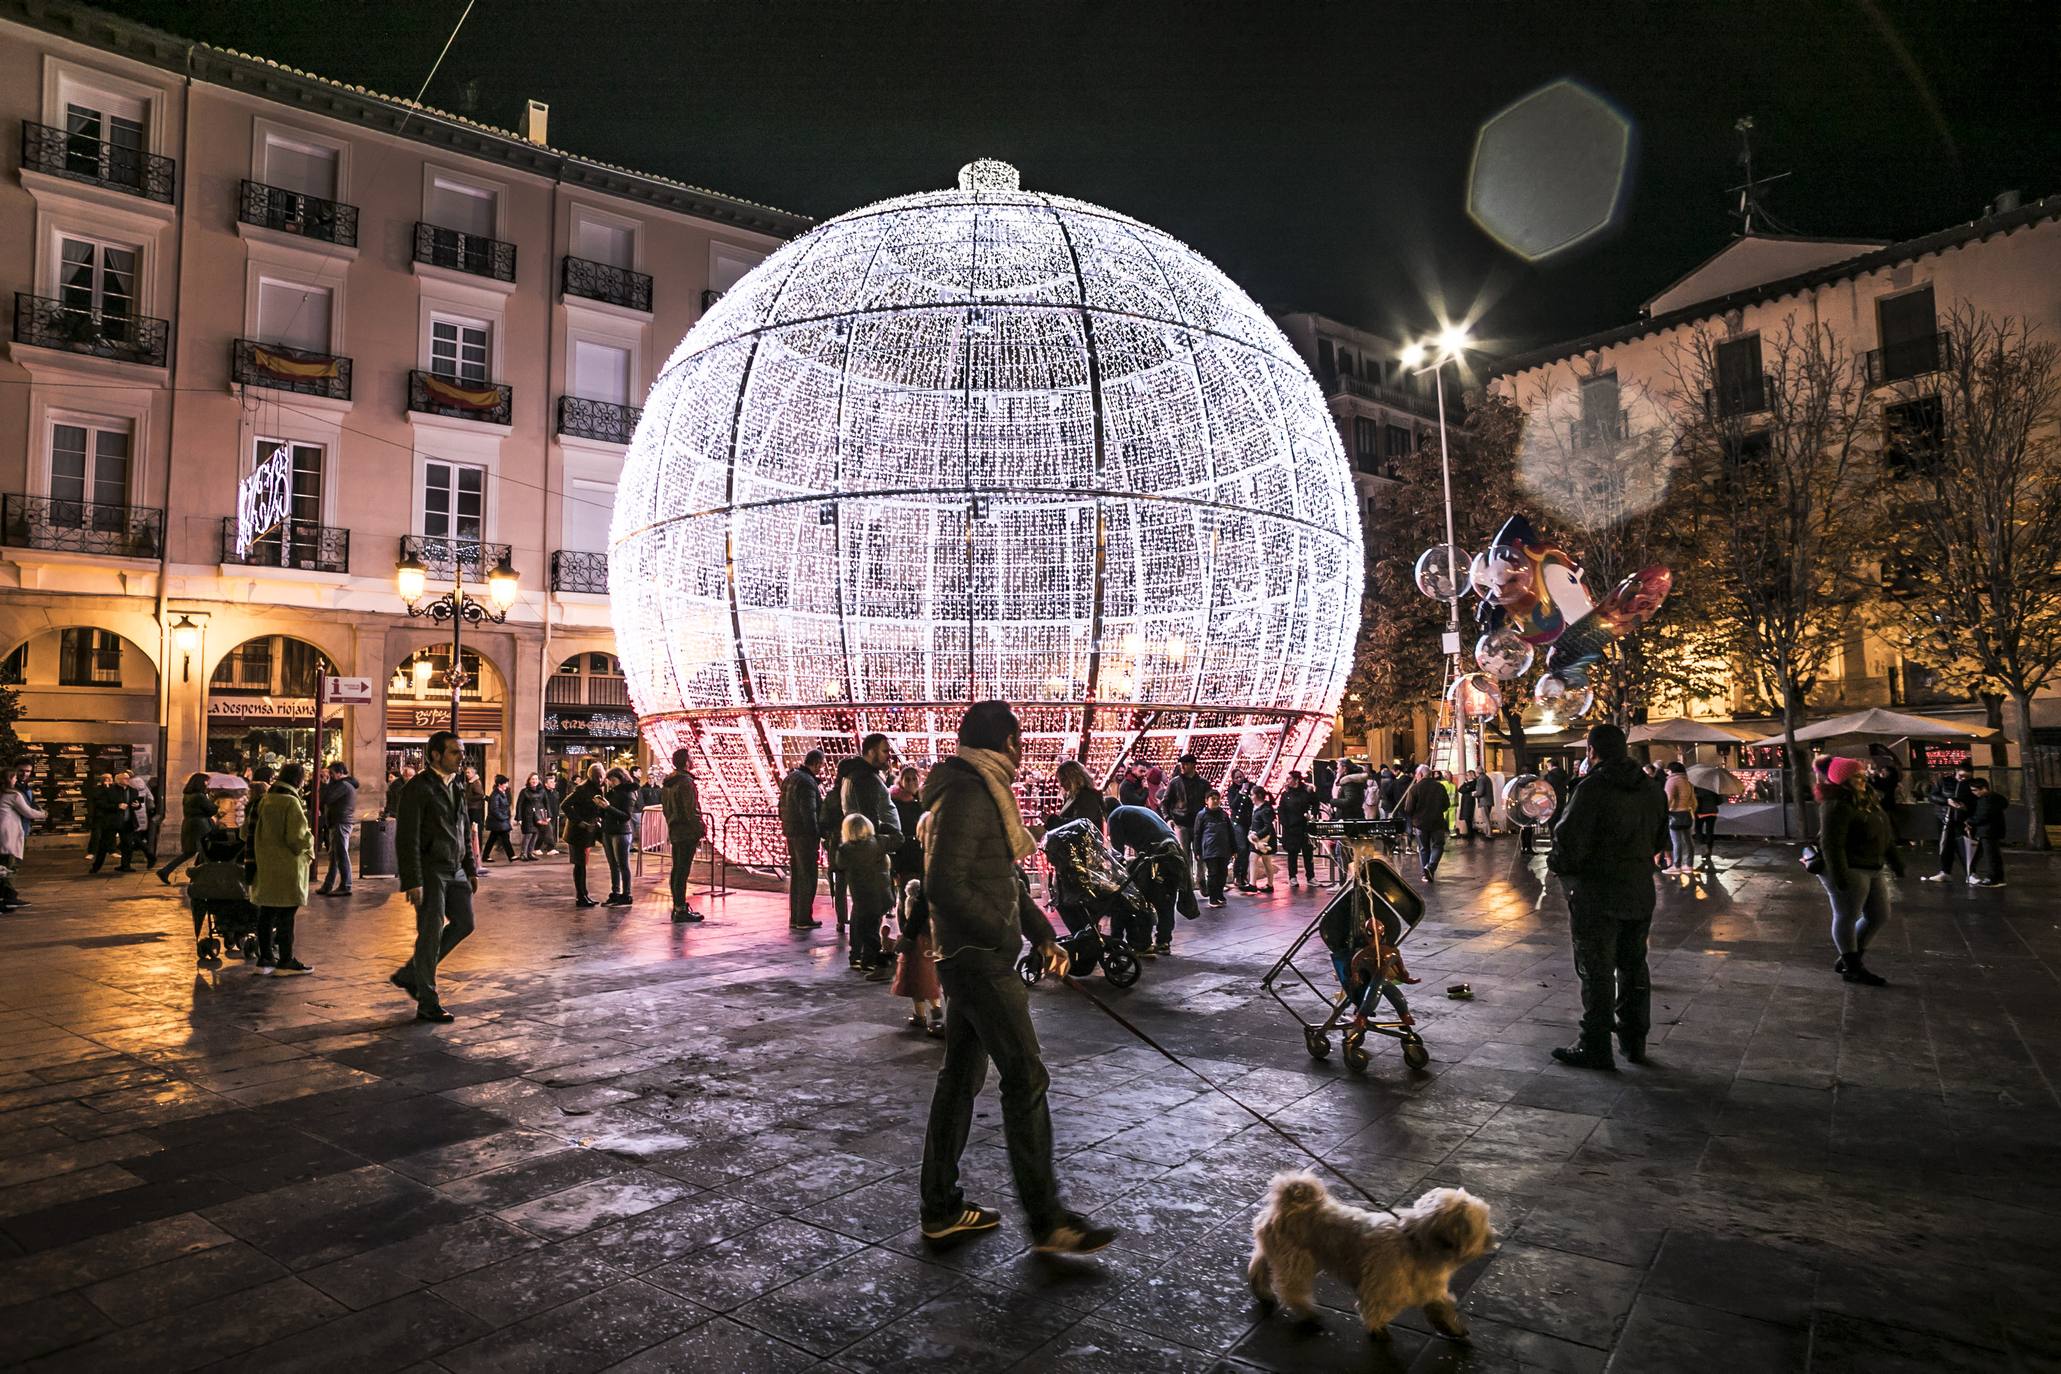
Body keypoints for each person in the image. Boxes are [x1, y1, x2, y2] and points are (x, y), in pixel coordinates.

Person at [917, 700, 1114, 1255]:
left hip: (973, 955)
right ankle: (1048, 1219)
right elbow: (943, 885)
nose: (1024, 751)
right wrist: (1007, 931)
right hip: (978, 958)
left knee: (959, 1078)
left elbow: (1003, 878)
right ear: (1004, 743)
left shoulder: (982, 792)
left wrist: (1043, 933)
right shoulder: (969, 794)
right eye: (1019, 740)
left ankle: (941, 1207)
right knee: (1025, 1077)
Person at [1545, 724, 1666, 1070]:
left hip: (1597, 894)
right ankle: (1634, 1039)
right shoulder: (1650, 789)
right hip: (1639, 890)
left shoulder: (1592, 789)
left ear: (1592, 752)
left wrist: (1558, 865)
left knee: (1596, 971)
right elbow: (1659, 839)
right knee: (1633, 966)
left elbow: (1568, 842)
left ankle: (1595, 1044)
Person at [391, 731, 480, 1022]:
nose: (461, 757)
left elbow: (464, 828)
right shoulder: (418, 788)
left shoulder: (456, 785)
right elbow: (407, 837)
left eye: (461, 751)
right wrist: (413, 879)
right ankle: (427, 1000)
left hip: (455, 868)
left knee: (465, 923)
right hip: (430, 869)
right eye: (455, 752)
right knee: (430, 933)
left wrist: (470, 868)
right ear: (436, 755)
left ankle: (411, 973)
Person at [1817, 755, 1903, 985]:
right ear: (1842, 780)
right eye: (1855, 775)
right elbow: (1830, 844)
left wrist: (1895, 860)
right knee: (1846, 915)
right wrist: (1839, 875)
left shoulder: (1867, 798)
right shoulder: (1836, 805)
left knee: (1879, 914)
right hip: (1851, 866)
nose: (1862, 778)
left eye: (1861, 774)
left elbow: (1885, 832)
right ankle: (1853, 966)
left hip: (1872, 865)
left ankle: (1849, 957)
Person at [249, 761, 315, 976]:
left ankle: (265, 958)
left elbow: (245, 833)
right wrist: (310, 846)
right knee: (287, 914)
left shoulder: (264, 800)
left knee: (266, 913)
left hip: (265, 864)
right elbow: (297, 838)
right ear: (298, 780)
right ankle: (286, 960)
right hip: (287, 866)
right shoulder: (290, 803)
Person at [1106, 802, 1198, 955]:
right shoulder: (1133, 811)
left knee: (1144, 899)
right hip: (1174, 854)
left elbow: (1117, 854)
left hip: (1158, 856)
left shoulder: (1115, 816)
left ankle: (1142, 944)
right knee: (1167, 900)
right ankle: (1163, 941)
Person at [837, 811, 896, 975]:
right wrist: (884, 825)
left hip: (861, 895)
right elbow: (899, 838)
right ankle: (869, 960)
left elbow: (839, 866)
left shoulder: (845, 850)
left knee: (862, 927)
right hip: (881, 894)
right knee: (871, 928)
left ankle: (865, 959)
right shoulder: (878, 842)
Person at [895, 869, 945, 1035]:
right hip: (933, 945)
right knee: (932, 979)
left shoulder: (914, 907)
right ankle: (936, 1006)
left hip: (916, 946)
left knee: (916, 983)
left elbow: (909, 921)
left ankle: (920, 1016)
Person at [781, 750, 827, 930]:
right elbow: (809, 813)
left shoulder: (791, 778)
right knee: (808, 875)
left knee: (797, 876)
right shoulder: (808, 783)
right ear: (816, 763)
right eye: (821, 766)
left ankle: (796, 916)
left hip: (791, 832)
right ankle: (804, 918)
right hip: (804, 836)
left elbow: (781, 806)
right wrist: (816, 834)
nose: (820, 770)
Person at [661, 749, 706, 922]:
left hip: (675, 829)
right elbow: (690, 810)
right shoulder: (686, 782)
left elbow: (667, 808)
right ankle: (680, 909)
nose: (693, 761)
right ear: (686, 761)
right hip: (686, 831)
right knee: (682, 870)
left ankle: (678, 905)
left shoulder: (669, 783)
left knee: (677, 869)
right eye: (691, 758)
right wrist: (700, 827)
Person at [0, 774, 48, 914]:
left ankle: (5, 901)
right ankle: (8, 899)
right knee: (8, 868)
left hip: (4, 835)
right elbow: (28, 812)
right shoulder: (13, 795)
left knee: (3, 868)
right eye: (14, 777)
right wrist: (43, 814)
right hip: (8, 835)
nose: (16, 780)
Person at [157, 773, 216, 884]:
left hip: (191, 825)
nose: (208, 784)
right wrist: (213, 800)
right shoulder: (199, 796)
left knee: (189, 852)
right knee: (204, 850)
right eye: (206, 782)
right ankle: (199, 875)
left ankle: (165, 870)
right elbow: (212, 810)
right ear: (200, 782)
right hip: (200, 826)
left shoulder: (189, 795)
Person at [563, 764, 606, 908]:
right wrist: (579, 821)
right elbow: (565, 805)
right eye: (597, 776)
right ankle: (581, 896)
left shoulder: (598, 788)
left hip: (588, 830)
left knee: (583, 864)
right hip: (577, 832)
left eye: (602, 776)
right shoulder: (582, 789)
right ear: (591, 776)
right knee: (579, 864)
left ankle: (584, 894)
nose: (600, 779)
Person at [1921, 766, 1975, 881]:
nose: (1963, 779)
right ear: (1956, 772)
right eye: (1961, 776)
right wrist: (1947, 801)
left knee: (1964, 846)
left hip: (1962, 819)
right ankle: (1945, 871)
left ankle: (1970, 873)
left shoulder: (1972, 785)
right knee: (1945, 845)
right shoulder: (1944, 781)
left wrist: (1966, 808)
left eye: (1966, 777)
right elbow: (1933, 796)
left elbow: (1977, 800)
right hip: (1944, 817)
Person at [1402, 767, 1451, 882]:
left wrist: (1415, 815)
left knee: (1423, 848)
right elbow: (1446, 805)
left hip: (1420, 823)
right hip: (1437, 822)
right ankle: (1430, 867)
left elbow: (1408, 808)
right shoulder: (1440, 787)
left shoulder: (1414, 789)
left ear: (1420, 774)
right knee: (1438, 846)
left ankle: (1425, 873)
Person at [1161, 754, 1207, 878]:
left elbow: (1208, 802)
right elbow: (1165, 802)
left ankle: (1201, 879)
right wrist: (1168, 818)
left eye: (1185, 764)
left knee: (1200, 853)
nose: (1182, 767)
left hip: (1198, 823)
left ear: (1193, 765)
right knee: (1184, 855)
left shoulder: (1203, 783)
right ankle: (1188, 883)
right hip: (1180, 823)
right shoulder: (1175, 783)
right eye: (1181, 764)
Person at [316, 762, 357, 896]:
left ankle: (346, 885)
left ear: (340, 772)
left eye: (332, 773)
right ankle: (328, 885)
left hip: (341, 822)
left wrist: (324, 784)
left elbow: (326, 798)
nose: (330, 776)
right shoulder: (341, 785)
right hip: (337, 822)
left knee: (340, 854)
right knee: (334, 856)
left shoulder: (343, 786)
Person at [600, 768, 638, 905]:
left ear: (621, 778)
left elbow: (626, 816)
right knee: (612, 864)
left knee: (622, 864)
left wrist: (608, 807)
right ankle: (615, 892)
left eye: (613, 780)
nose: (611, 783)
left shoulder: (628, 793)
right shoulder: (612, 792)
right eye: (609, 781)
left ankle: (626, 894)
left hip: (621, 832)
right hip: (608, 830)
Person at [1194, 789, 1236, 907]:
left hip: (1224, 849)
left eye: (1217, 798)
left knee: (1223, 873)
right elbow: (1197, 834)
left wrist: (1234, 848)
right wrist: (1197, 850)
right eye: (1213, 798)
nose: (1216, 801)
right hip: (1210, 849)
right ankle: (1213, 897)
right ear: (1206, 801)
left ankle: (1219, 894)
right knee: (1213, 873)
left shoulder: (1223, 815)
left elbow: (1230, 832)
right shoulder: (1202, 815)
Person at [1276, 770, 1316, 890]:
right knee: (1292, 853)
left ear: (1296, 780)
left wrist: (1312, 815)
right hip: (1291, 828)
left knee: (1308, 853)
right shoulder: (1286, 794)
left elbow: (1315, 803)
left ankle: (1310, 877)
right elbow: (1281, 809)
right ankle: (1292, 877)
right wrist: (1285, 823)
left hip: (1304, 826)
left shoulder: (1306, 792)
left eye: (1289, 779)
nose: (1287, 781)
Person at [1964, 777, 2007, 887]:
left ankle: (1992, 878)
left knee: (1990, 856)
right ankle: (1998, 877)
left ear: (1983, 788)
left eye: (1975, 790)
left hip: (1987, 831)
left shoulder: (1985, 800)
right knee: (1994, 854)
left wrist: (1970, 821)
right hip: (1995, 830)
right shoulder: (1997, 799)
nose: (1974, 793)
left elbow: (1982, 816)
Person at [890, 764, 927, 892]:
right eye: (907, 779)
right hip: (905, 856)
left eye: (914, 778)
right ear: (901, 781)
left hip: (921, 854)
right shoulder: (895, 802)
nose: (911, 782)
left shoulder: (923, 800)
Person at [1045, 759, 1106, 835]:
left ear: (1073, 778)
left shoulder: (1087, 796)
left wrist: (1053, 821)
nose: (1061, 785)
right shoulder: (1073, 796)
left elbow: (1081, 824)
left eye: (1063, 780)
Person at [1662, 762, 1697, 875]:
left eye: (1668, 770)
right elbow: (1693, 800)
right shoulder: (1687, 782)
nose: (1667, 772)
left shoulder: (1672, 781)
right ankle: (1689, 865)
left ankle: (1676, 866)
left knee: (1676, 842)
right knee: (1688, 840)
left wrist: (1664, 812)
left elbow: (1668, 798)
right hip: (1687, 813)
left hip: (1675, 814)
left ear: (1672, 770)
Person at [1225, 768, 1256, 892]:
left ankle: (1244, 875)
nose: (1239, 779)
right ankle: (1238, 875)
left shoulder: (1252, 787)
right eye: (1236, 777)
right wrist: (1241, 793)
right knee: (1241, 848)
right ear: (1233, 779)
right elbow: (1233, 805)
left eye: (1240, 776)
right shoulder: (1232, 790)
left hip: (1250, 822)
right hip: (1237, 822)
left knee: (1249, 849)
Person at [1246, 785, 1277, 893]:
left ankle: (1253, 884)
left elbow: (1267, 826)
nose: (1250, 797)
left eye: (1252, 794)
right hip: (1262, 839)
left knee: (1254, 858)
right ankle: (1268, 884)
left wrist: (1257, 835)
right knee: (1265, 861)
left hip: (1263, 840)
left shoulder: (1265, 810)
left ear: (1257, 796)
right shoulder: (1263, 808)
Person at [480, 775, 516, 863]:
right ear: (500, 784)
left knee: (492, 839)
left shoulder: (502, 793)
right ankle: (511, 855)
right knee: (504, 837)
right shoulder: (496, 795)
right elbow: (494, 809)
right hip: (498, 821)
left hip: (499, 821)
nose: (507, 785)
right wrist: (503, 817)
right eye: (505, 783)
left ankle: (485, 856)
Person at [515, 772, 548, 861]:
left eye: (536, 779)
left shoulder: (542, 791)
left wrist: (548, 815)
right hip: (528, 815)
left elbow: (546, 803)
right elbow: (519, 804)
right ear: (529, 780)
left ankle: (530, 853)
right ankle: (523, 853)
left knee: (535, 834)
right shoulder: (524, 791)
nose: (534, 781)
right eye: (532, 779)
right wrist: (519, 817)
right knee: (528, 834)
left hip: (538, 816)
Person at [1456, 768, 1480, 841]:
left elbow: (1465, 789)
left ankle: (1470, 834)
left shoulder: (1474, 782)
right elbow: (1460, 789)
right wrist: (1466, 784)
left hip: (1469, 802)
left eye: (1467, 775)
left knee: (1468, 817)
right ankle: (1469, 833)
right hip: (1465, 801)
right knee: (1466, 818)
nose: (1466, 776)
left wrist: (1466, 787)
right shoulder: (1467, 783)